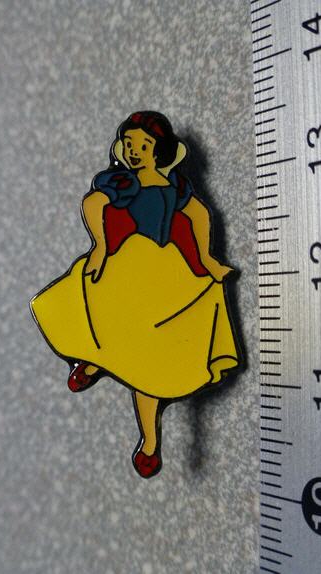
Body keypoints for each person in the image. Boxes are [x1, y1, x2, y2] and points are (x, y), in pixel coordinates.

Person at [30, 111, 239, 478]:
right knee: (101, 321)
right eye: (129, 144)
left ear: (158, 149)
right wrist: (99, 246)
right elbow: (93, 204)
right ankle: (93, 365)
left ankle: (150, 442)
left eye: (143, 145)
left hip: (166, 274)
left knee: (150, 361)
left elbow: (199, 215)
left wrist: (207, 258)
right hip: (126, 265)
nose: (135, 151)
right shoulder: (122, 182)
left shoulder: (175, 186)